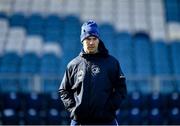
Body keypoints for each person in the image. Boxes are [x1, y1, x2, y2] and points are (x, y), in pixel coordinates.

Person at [59, 20, 127, 125]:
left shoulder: (111, 63)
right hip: (80, 122)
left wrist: (109, 108)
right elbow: (64, 90)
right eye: (87, 39)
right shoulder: (73, 65)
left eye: (94, 39)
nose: (91, 42)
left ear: (98, 40)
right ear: (82, 40)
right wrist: (74, 109)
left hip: (106, 121)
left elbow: (121, 88)